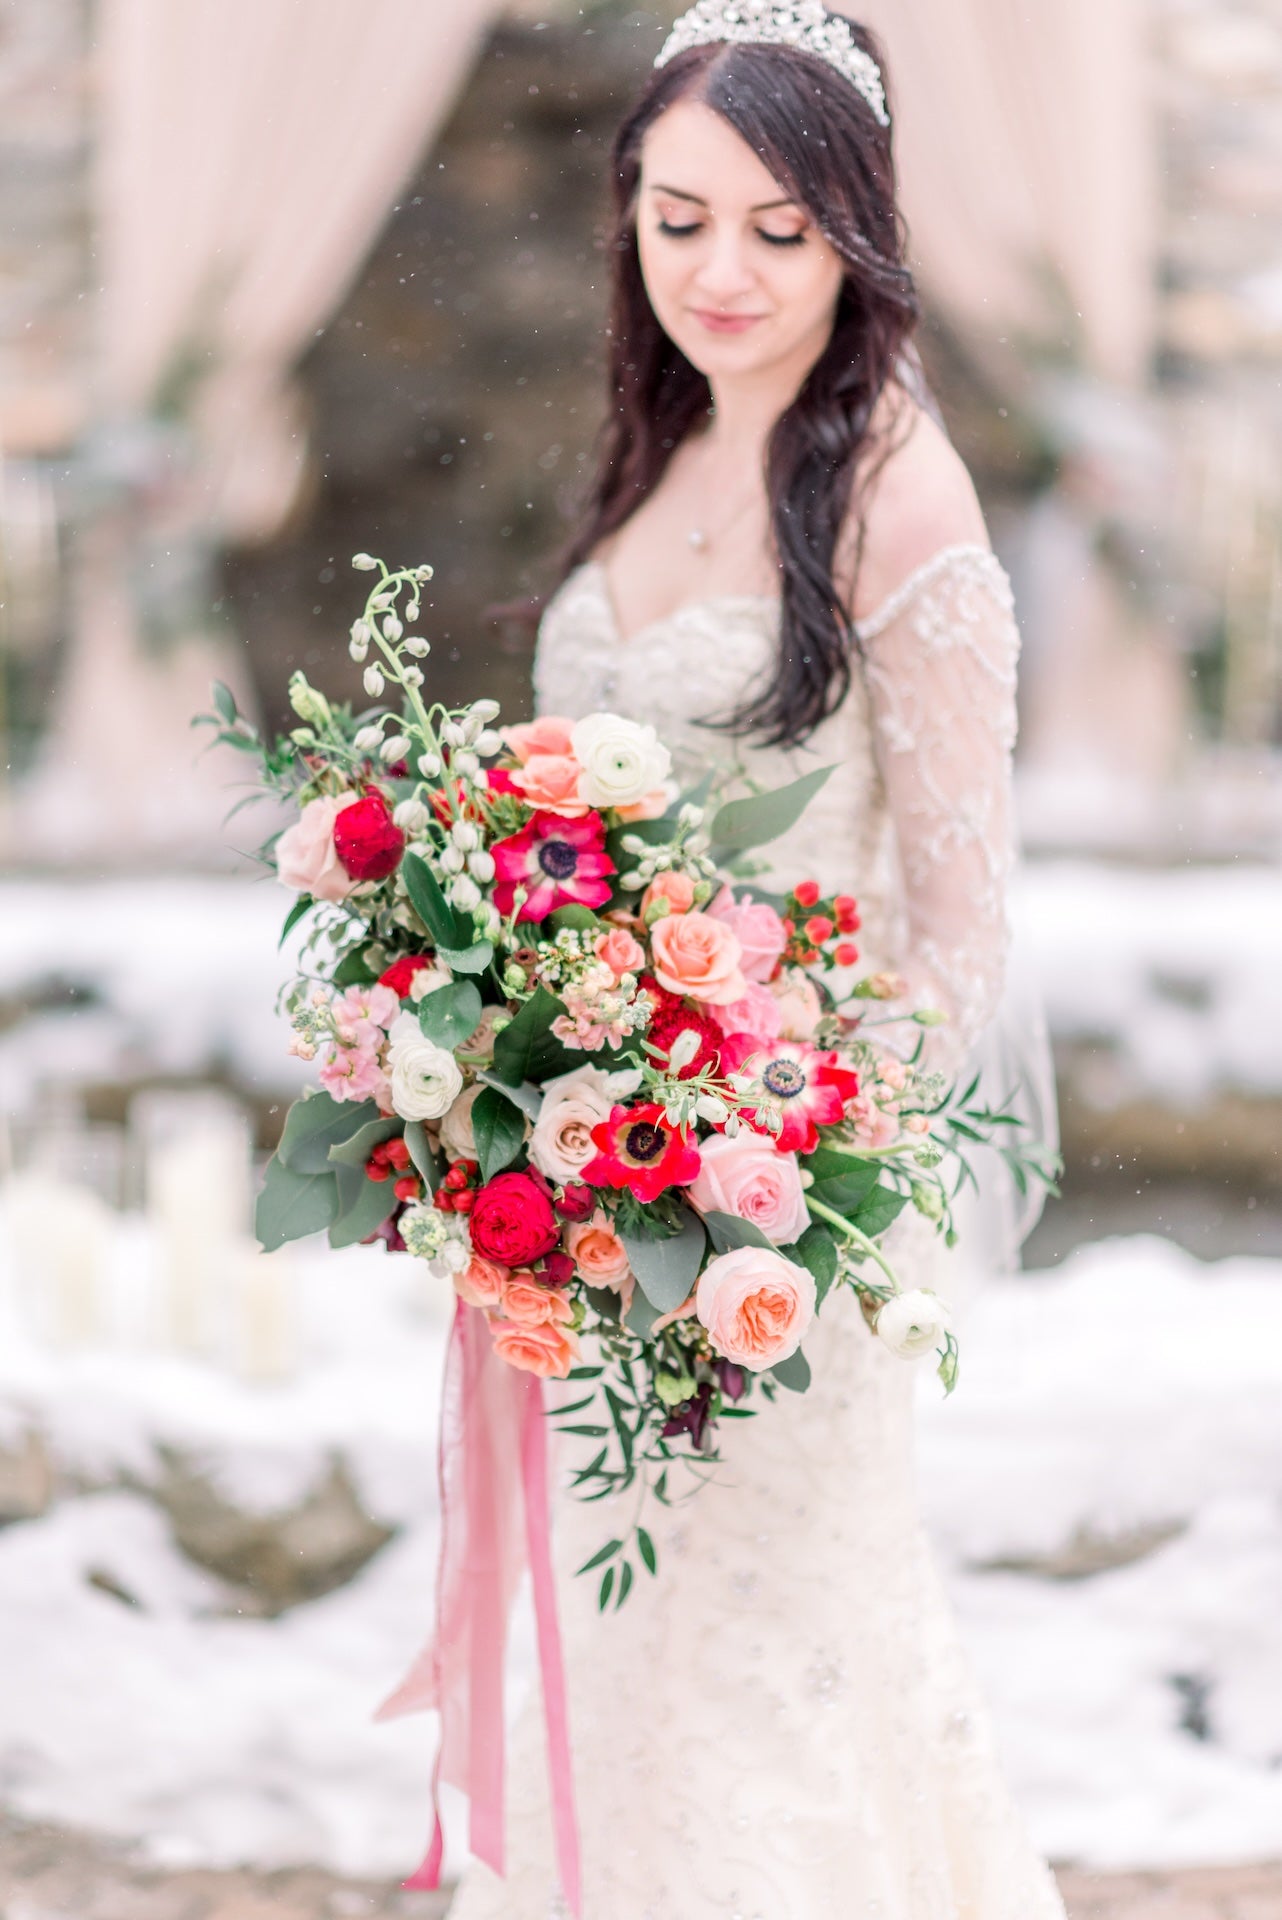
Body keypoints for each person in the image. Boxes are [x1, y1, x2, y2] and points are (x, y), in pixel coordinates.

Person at [449, 6, 1066, 1915]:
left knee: (785, 1664)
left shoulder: (898, 494)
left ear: (858, 234)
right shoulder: (659, 455)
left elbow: (960, 929)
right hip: (596, 1191)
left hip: (782, 1211)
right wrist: (495, 1061)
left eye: (778, 230)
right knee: (619, 1655)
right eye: (677, 218)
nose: (719, 271)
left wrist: (793, 1170)